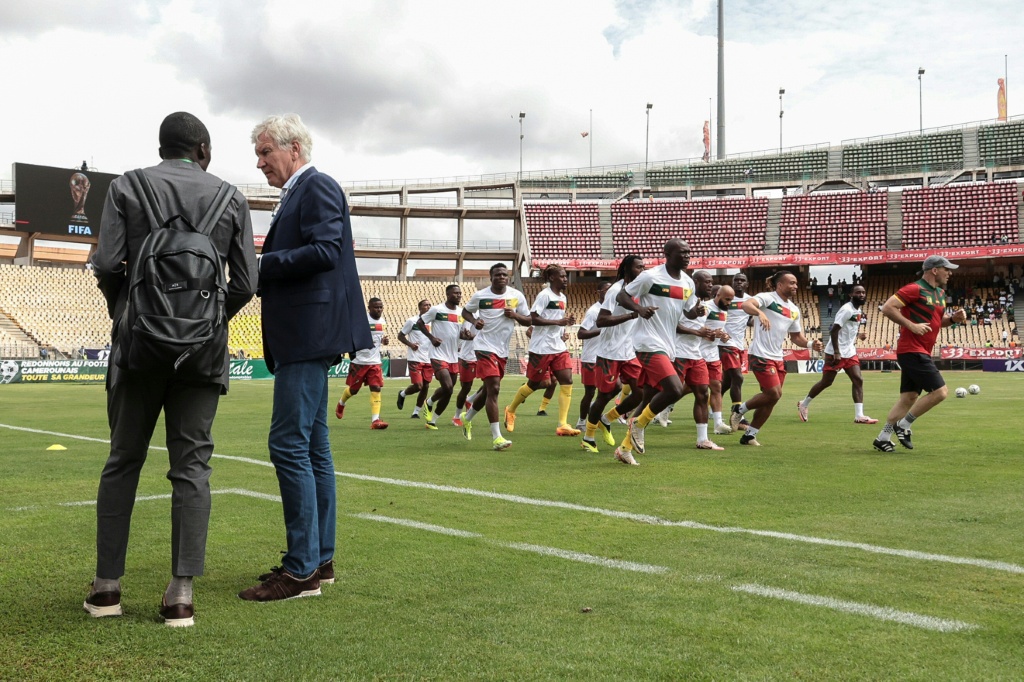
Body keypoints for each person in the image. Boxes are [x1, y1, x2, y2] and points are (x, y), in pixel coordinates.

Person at [87, 112, 258, 625]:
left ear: (162, 147)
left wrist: (133, 315)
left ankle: (106, 588)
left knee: (123, 461)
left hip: (137, 351)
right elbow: (247, 282)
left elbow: (105, 262)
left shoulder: (126, 187)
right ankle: (180, 593)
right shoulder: (232, 198)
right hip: (201, 357)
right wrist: (203, 325)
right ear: (202, 149)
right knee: (192, 468)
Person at [239, 113, 370, 602]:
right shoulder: (298, 193)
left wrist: (260, 267)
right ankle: (319, 559)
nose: (260, 163)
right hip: (308, 333)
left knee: (289, 445)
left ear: (294, 149)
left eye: (265, 152)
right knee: (313, 448)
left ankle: (300, 571)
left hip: (308, 333)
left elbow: (324, 249)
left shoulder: (316, 186)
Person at [612, 240, 707, 464]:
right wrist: (639, 308)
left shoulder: (688, 282)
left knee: (648, 398)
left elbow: (688, 313)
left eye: (689, 252)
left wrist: (696, 311)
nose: (687, 256)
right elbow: (622, 296)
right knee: (674, 389)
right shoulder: (650, 277)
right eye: (682, 253)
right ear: (667, 254)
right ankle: (639, 423)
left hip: (668, 346)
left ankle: (624, 449)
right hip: (647, 342)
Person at [873, 256, 966, 452]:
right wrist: (911, 325)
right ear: (934, 270)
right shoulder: (914, 288)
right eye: (946, 269)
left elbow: (936, 323)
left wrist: (954, 319)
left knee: (908, 398)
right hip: (911, 350)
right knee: (940, 392)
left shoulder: (940, 293)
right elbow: (888, 308)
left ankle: (883, 437)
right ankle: (904, 425)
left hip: (920, 350)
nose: (949, 273)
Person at [731, 271, 822, 446]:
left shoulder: (794, 310)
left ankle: (750, 435)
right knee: (774, 393)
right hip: (760, 354)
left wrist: (811, 344)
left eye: (796, 283)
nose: (795, 286)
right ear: (779, 285)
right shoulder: (767, 298)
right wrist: (760, 312)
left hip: (777, 357)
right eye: (791, 283)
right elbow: (746, 305)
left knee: (772, 398)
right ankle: (739, 409)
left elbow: (796, 337)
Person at [460, 263, 532, 450]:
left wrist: (515, 315)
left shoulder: (516, 296)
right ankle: (497, 437)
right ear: (491, 277)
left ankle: (466, 418)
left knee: (487, 389)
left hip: (502, 349)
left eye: (504, 274)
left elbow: (529, 320)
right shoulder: (481, 296)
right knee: (494, 387)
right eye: (498, 274)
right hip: (483, 346)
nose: (502, 277)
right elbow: (465, 311)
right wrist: (475, 321)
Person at [504, 264, 580, 437]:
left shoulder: (562, 297)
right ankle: (511, 409)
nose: (565, 279)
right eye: (561, 276)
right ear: (552, 278)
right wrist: (557, 323)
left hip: (558, 347)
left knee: (567, 380)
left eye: (565, 276)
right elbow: (534, 319)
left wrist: (565, 323)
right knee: (534, 383)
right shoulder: (544, 295)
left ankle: (562, 424)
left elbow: (557, 320)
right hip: (541, 347)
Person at [580, 255, 646, 454]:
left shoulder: (640, 290)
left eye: (643, 267)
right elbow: (602, 321)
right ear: (626, 269)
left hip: (628, 350)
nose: (642, 270)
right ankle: (588, 437)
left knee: (641, 392)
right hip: (609, 352)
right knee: (604, 394)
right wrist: (632, 314)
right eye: (637, 267)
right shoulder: (615, 291)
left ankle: (607, 418)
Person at [797, 284, 878, 424]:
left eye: (863, 292)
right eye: (858, 292)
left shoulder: (857, 309)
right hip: (835, 352)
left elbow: (848, 328)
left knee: (858, 379)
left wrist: (858, 335)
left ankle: (859, 416)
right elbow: (834, 330)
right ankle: (804, 403)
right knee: (826, 382)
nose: (862, 295)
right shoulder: (846, 309)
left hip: (850, 352)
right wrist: (836, 352)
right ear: (851, 295)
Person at [670, 270, 729, 450]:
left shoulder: (704, 306)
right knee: (669, 393)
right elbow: (674, 326)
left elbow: (699, 328)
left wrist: (712, 334)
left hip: (696, 355)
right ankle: (639, 422)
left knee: (703, 394)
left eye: (712, 282)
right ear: (695, 282)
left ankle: (703, 439)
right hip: (679, 353)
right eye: (707, 282)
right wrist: (699, 332)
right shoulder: (681, 302)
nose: (711, 286)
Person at [336, 298, 390, 429]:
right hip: (360, 361)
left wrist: (383, 340)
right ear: (369, 308)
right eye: (376, 307)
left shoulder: (383, 322)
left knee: (376, 388)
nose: (379, 309)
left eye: (381, 307)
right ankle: (341, 403)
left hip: (375, 361)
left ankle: (375, 420)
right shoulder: (361, 320)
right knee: (353, 390)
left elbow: (378, 338)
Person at [419, 285, 463, 430]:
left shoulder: (461, 313)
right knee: (448, 388)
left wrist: (467, 336)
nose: (458, 295)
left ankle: (431, 413)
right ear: (448, 294)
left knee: (448, 391)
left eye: (460, 293)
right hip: (438, 354)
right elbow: (420, 323)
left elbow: (460, 333)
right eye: (455, 293)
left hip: (453, 356)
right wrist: (431, 338)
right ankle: (430, 411)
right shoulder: (436, 310)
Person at [719, 272, 753, 429]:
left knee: (726, 382)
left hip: (739, 345)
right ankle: (738, 415)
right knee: (738, 378)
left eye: (742, 280)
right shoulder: (725, 299)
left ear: (747, 284)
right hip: (725, 343)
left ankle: (667, 406)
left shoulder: (750, 301)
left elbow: (751, 319)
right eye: (736, 280)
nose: (739, 282)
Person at [576, 282, 611, 429]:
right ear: (599, 292)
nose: (610, 292)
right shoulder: (594, 311)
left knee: (613, 388)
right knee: (590, 392)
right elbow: (581, 333)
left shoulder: (613, 309)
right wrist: (601, 331)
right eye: (606, 290)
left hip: (606, 356)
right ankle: (582, 421)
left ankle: (596, 412)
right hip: (591, 357)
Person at [396, 299, 433, 418]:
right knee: (418, 386)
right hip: (415, 358)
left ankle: (416, 412)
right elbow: (400, 336)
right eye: (425, 305)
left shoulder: (433, 322)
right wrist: (411, 345)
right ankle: (402, 394)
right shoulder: (412, 321)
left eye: (429, 305)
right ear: (419, 308)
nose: (428, 307)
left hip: (429, 358)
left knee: (426, 386)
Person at [453, 319, 477, 427]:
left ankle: (469, 399)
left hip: (483, 355)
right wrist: (470, 335)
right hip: (469, 357)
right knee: (466, 387)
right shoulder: (471, 316)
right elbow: (465, 333)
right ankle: (457, 416)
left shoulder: (488, 313)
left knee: (490, 384)